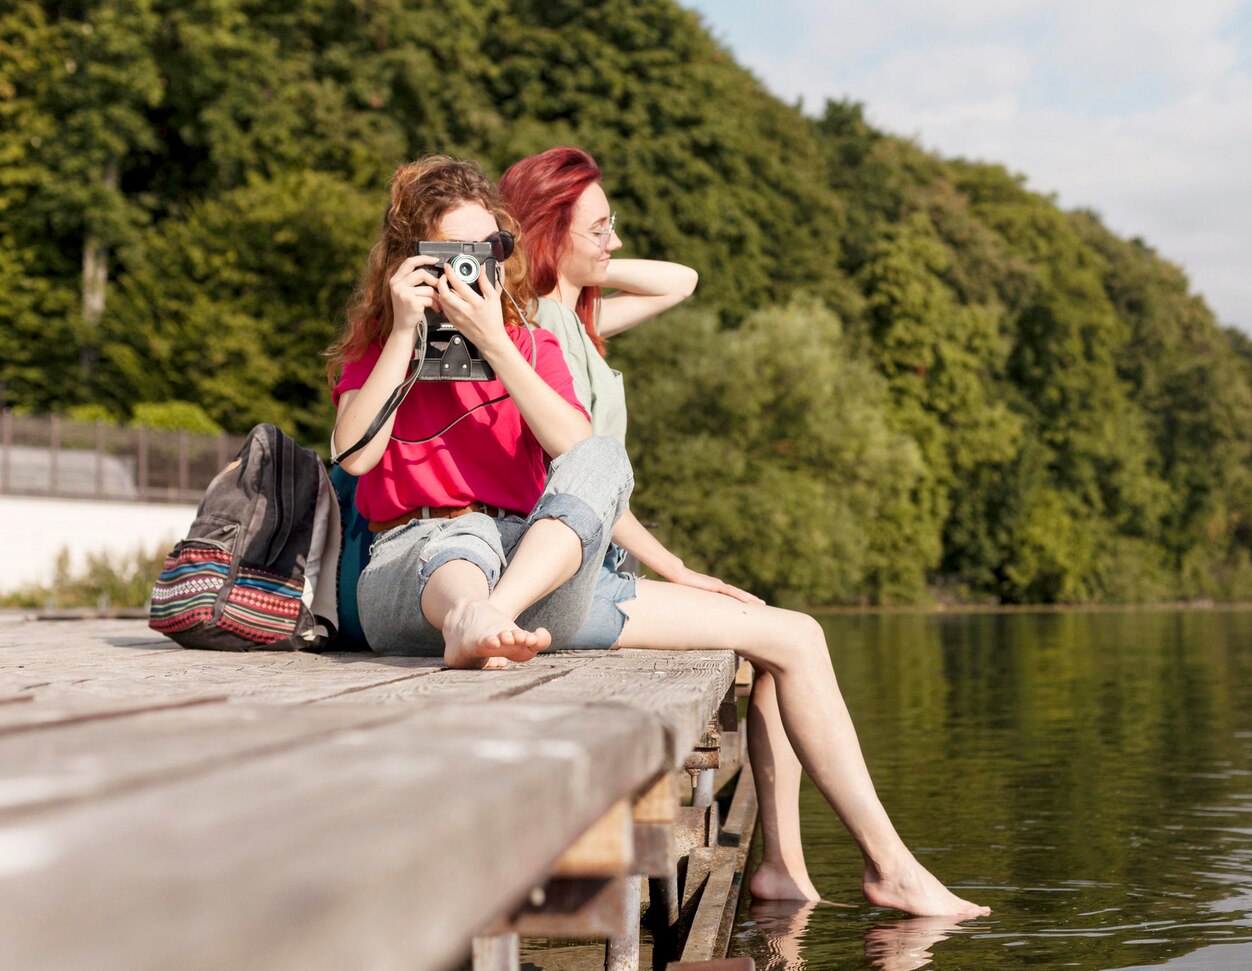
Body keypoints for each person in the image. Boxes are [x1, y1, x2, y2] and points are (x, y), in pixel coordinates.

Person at [500, 148, 987, 918]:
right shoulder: (537, 336)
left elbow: (682, 281)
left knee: (771, 630)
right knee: (797, 635)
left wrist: (577, 262)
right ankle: (887, 867)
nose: (618, 242)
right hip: (574, 579)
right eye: (602, 227)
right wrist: (679, 567)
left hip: (599, 570)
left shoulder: (572, 322)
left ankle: (785, 866)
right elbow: (584, 479)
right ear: (550, 230)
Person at [327, 154, 633, 668]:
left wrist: (496, 343)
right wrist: (405, 331)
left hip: (520, 583)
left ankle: (486, 619)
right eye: (454, 254)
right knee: (467, 530)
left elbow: (581, 455)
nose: (473, 268)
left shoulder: (530, 346)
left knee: (604, 456)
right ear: (413, 260)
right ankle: (472, 617)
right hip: (416, 576)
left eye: (488, 249)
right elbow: (353, 456)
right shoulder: (382, 348)